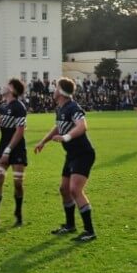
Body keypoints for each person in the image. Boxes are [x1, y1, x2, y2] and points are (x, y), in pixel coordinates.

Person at [34, 77, 97, 243]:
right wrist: (43, 142)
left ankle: (89, 231)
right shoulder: (60, 108)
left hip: (83, 153)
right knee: (64, 189)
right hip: (72, 154)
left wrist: (66, 137)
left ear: (61, 92)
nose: (53, 90)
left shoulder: (73, 107)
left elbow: (82, 126)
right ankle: (70, 225)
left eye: (56, 88)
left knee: (75, 189)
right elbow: (58, 126)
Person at [0, 78, 27, 229]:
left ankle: (18, 212)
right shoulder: (2, 107)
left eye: (8, 85)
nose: (4, 86)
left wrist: (8, 150)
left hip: (16, 148)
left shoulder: (19, 107)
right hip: (3, 146)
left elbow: (20, 131)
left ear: (13, 90)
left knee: (18, 183)